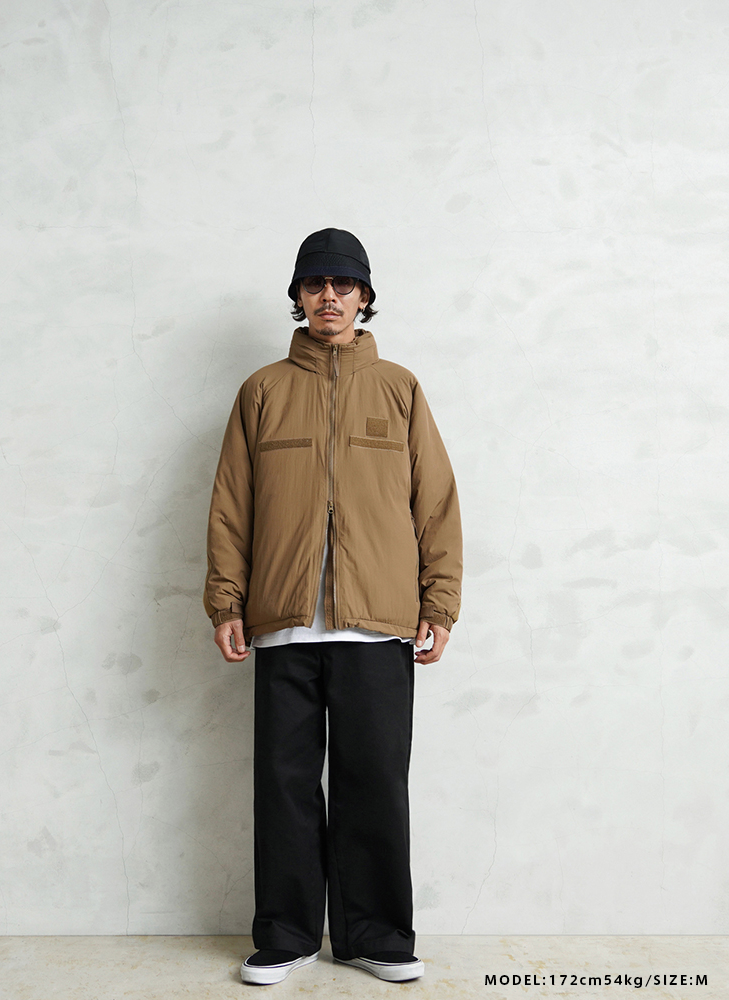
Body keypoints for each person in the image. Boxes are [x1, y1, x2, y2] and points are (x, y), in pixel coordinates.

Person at [203, 228, 462, 986]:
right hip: (282, 623)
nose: (329, 297)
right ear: (298, 296)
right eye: (315, 285)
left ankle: (375, 935)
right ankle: (286, 936)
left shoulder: (400, 389)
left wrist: (440, 603)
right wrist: (226, 600)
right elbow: (231, 506)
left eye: (343, 286)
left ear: (364, 297)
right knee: (284, 787)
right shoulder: (261, 391)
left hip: (377, 623)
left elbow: (436, 504)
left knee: (373, 782)